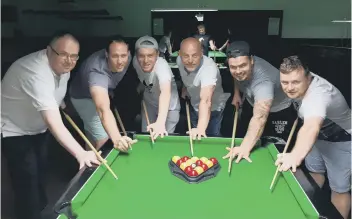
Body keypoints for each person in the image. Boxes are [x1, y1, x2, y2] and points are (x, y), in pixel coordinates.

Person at [1, 32, 101, 219]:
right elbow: (53, 121)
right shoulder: (35, 72)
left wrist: (61, 105)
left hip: (37, 128)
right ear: (48, 51)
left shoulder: (63, 67)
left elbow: (54, 92)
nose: (69, 60)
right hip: (13, 130)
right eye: (63, 54)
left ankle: (37, 210)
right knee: (27, 180)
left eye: (74, 56)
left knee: (40, 173)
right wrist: (81, 153)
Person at [275, 56, 351, 219]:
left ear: (308, 78)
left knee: (339, 188)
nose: (289, 88)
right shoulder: (298, 78)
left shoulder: (318, 95)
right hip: (317, 139)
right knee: (314, 174)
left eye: (295, 82)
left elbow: (311, 127)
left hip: (341, 139)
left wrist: (294, 156)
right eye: (285, 82)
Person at [222, 41, 294, 163]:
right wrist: (237, 93)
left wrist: (244, 148)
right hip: (253, 102)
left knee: (274, 150)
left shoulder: (263, 82)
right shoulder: (238, 65)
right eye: (233, 67)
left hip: (279, 110)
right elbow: (237, 76)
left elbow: (259, 118)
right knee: (251, 139)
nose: (238, 71)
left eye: (242, 66)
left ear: (252, 61)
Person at [69, 37, 137, 150]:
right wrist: (117, 139)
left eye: (123, 56)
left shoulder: (128, 57)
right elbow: (103, 110)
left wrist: (108, 90)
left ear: (128, 53)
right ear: (106, 54)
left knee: (92, 134)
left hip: (97, 90)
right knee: (104, 139)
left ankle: (88, 165)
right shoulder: (97, 72)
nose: (120, 61)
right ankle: (104, 165)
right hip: (83, 98)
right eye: (114, 56)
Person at [177, 37, 230, 139]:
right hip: (194, 104)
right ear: (180, 54)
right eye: (186, 56)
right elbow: (186, 75)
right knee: (194, 137)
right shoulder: (179, 60)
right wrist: (185, 87)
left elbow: (205, 101)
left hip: (213, 108)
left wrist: (200, 128)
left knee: (210, 138)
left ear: (201, 53)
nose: (190, 60)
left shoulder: (209, 69)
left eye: (195, 56)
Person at [133, 36, 180, 139]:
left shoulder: (162, 67)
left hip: (169, 109)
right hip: (149, 104)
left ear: (157, 55)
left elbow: (165, 92)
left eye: (150, 55)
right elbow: (146, 77)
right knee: (146, 138)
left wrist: (160, 122)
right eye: (141, 55)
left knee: (163, 140)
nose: (145, 60)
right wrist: (141, 85)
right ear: (136, 56)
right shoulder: (135, 62)